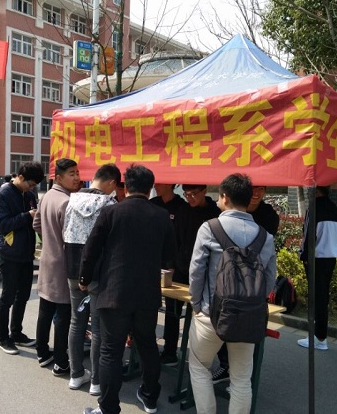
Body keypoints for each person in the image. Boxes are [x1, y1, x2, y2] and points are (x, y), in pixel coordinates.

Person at [80, 164, 176, 414]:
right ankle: (150, 398)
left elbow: (91, 250)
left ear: (126, 185)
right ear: (150, 187)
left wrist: (84, 278)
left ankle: (109, 408)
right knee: (147, 346)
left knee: (110, 352)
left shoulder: (112, 212)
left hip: (114, 292)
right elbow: (169, 256)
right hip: (147, 294)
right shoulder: (162, 216)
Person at [188, 173, 276, 414]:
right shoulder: (265, 237)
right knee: (241, 379)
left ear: (225, 197)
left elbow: (196, 271)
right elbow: (269, 280)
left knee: (199, 367)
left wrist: (197, 306)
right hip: (249, 317)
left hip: (211, 314)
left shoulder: (209, 228)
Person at [212, 184, 280, 383]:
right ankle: (226, 366)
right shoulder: (228, 213)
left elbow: (268, 259)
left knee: (246, 335)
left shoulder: (269, 216)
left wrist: (261, 293)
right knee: (224, 326)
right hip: (226, 283)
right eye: (254, 189)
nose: (257, 193)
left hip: (252, 286)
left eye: (262, 189)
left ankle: (241, 375)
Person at [63, 163, 121, 394]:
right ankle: (96, 381)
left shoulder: (72, 201)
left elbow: (65, 232)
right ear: (111, 182)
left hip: (73, 267)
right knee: (97, 327)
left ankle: (75, 374)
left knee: (76, 322)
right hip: (98, 272)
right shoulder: (110, 205)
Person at [160, 184, 221, 365]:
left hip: (205, 272)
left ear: (204, 191)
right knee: (172, 311)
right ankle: (169, 351)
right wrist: (171, 265)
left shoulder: (215, 213)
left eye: (194, 194)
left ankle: (203, 358)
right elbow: (174, 239)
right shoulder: (183, 210)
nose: (190, 198)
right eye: (187, 194)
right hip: (181, 268)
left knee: (203, 315)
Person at [33, 158, 81, 374]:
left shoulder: (47, 197)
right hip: (62, 264)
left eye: (77, 173)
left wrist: (49, 240)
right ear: (59, 178)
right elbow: (71, 239)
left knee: (45, 310)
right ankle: (61, 361)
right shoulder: (67, 202)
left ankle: (42, 353)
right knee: (63, 314)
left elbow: (36, 223)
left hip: (47, 260)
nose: (77, 177)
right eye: (72, 174)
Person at [0, 162, 44, 355]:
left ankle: (16, 333)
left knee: (23, 295)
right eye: (30, 184)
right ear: (21, 177)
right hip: (10, 253)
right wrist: (27, 216)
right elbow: (3, 225)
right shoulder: (3, 195)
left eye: (34, 186)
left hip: (26, 253)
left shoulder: (29, 195)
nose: (31, 188)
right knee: (7, 297)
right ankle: (3, 338)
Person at [297, 186, 337, 350]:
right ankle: (320, 336)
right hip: (331, 259)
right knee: (322, 297)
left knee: (316, 299)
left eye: (309, 191)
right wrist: (332, 248)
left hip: (315, 259)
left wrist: (303, 256)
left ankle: (318, 338)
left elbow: (308, 237)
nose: (308, 194)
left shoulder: (314, 210)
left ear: (317, 192)